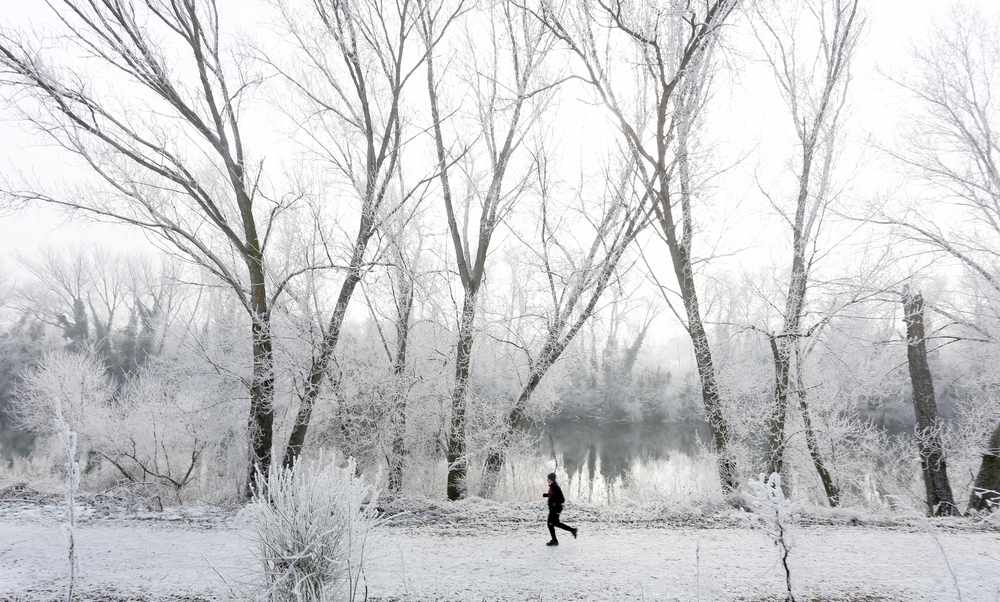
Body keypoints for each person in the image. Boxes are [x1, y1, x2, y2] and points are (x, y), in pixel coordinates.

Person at [542, 472, 577, 546]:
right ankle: (572, 530)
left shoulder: (556, 488)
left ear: (551, 479)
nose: (547, 480)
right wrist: (546, 495)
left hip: (555, 509)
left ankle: (555, 541)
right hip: (554, 509)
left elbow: (562, 499)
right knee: (555, 523)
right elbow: (553, 495)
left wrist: (554, 505)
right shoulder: (552, 487)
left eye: (548, 478)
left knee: (550, 524)